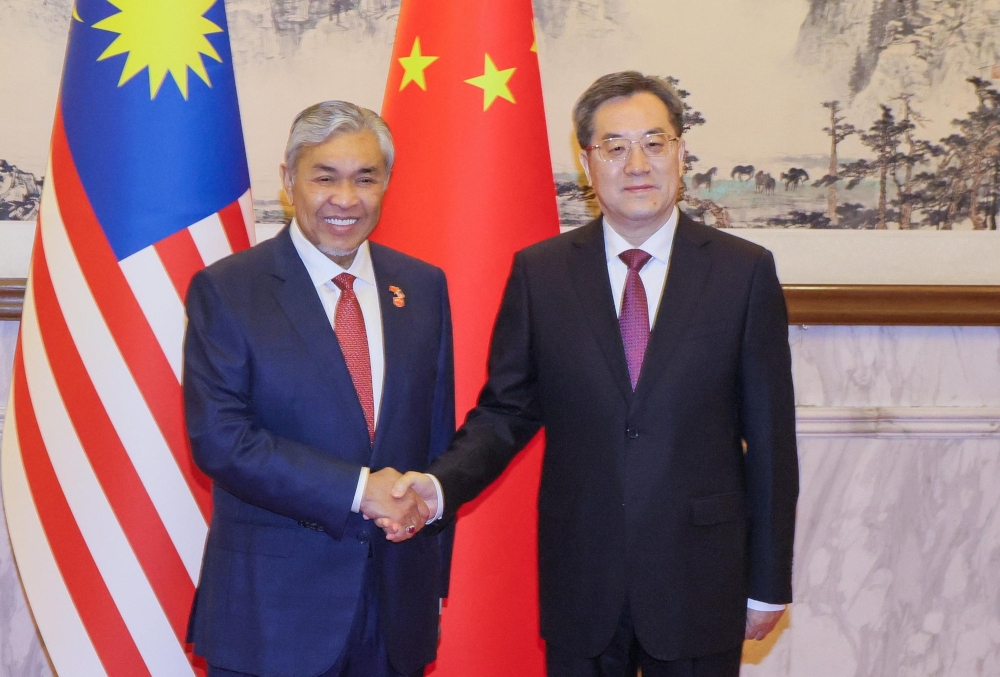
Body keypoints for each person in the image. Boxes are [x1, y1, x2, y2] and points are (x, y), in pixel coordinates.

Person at [391, 71, 799, 677]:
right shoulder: (542, 273)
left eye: (654, 143)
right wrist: (439, 485)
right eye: (614, 146)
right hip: (582, 576)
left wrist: (768, 581)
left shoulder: (743, 273)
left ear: (680, 153)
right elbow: (505, 412)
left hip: (700, 578)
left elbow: (770, 442)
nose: (637, 164)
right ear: (587, 163)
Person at [183, 101, 454, 677]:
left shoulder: (423, 286)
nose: (346, 199)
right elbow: (221, 440)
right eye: (325, 177)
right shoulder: (229, 289)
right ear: (288, 180)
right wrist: (359, 490)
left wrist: (431, 586)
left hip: (394, 613)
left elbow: (435, 436)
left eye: (365, 178)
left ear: (386, 183)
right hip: (272, 617)